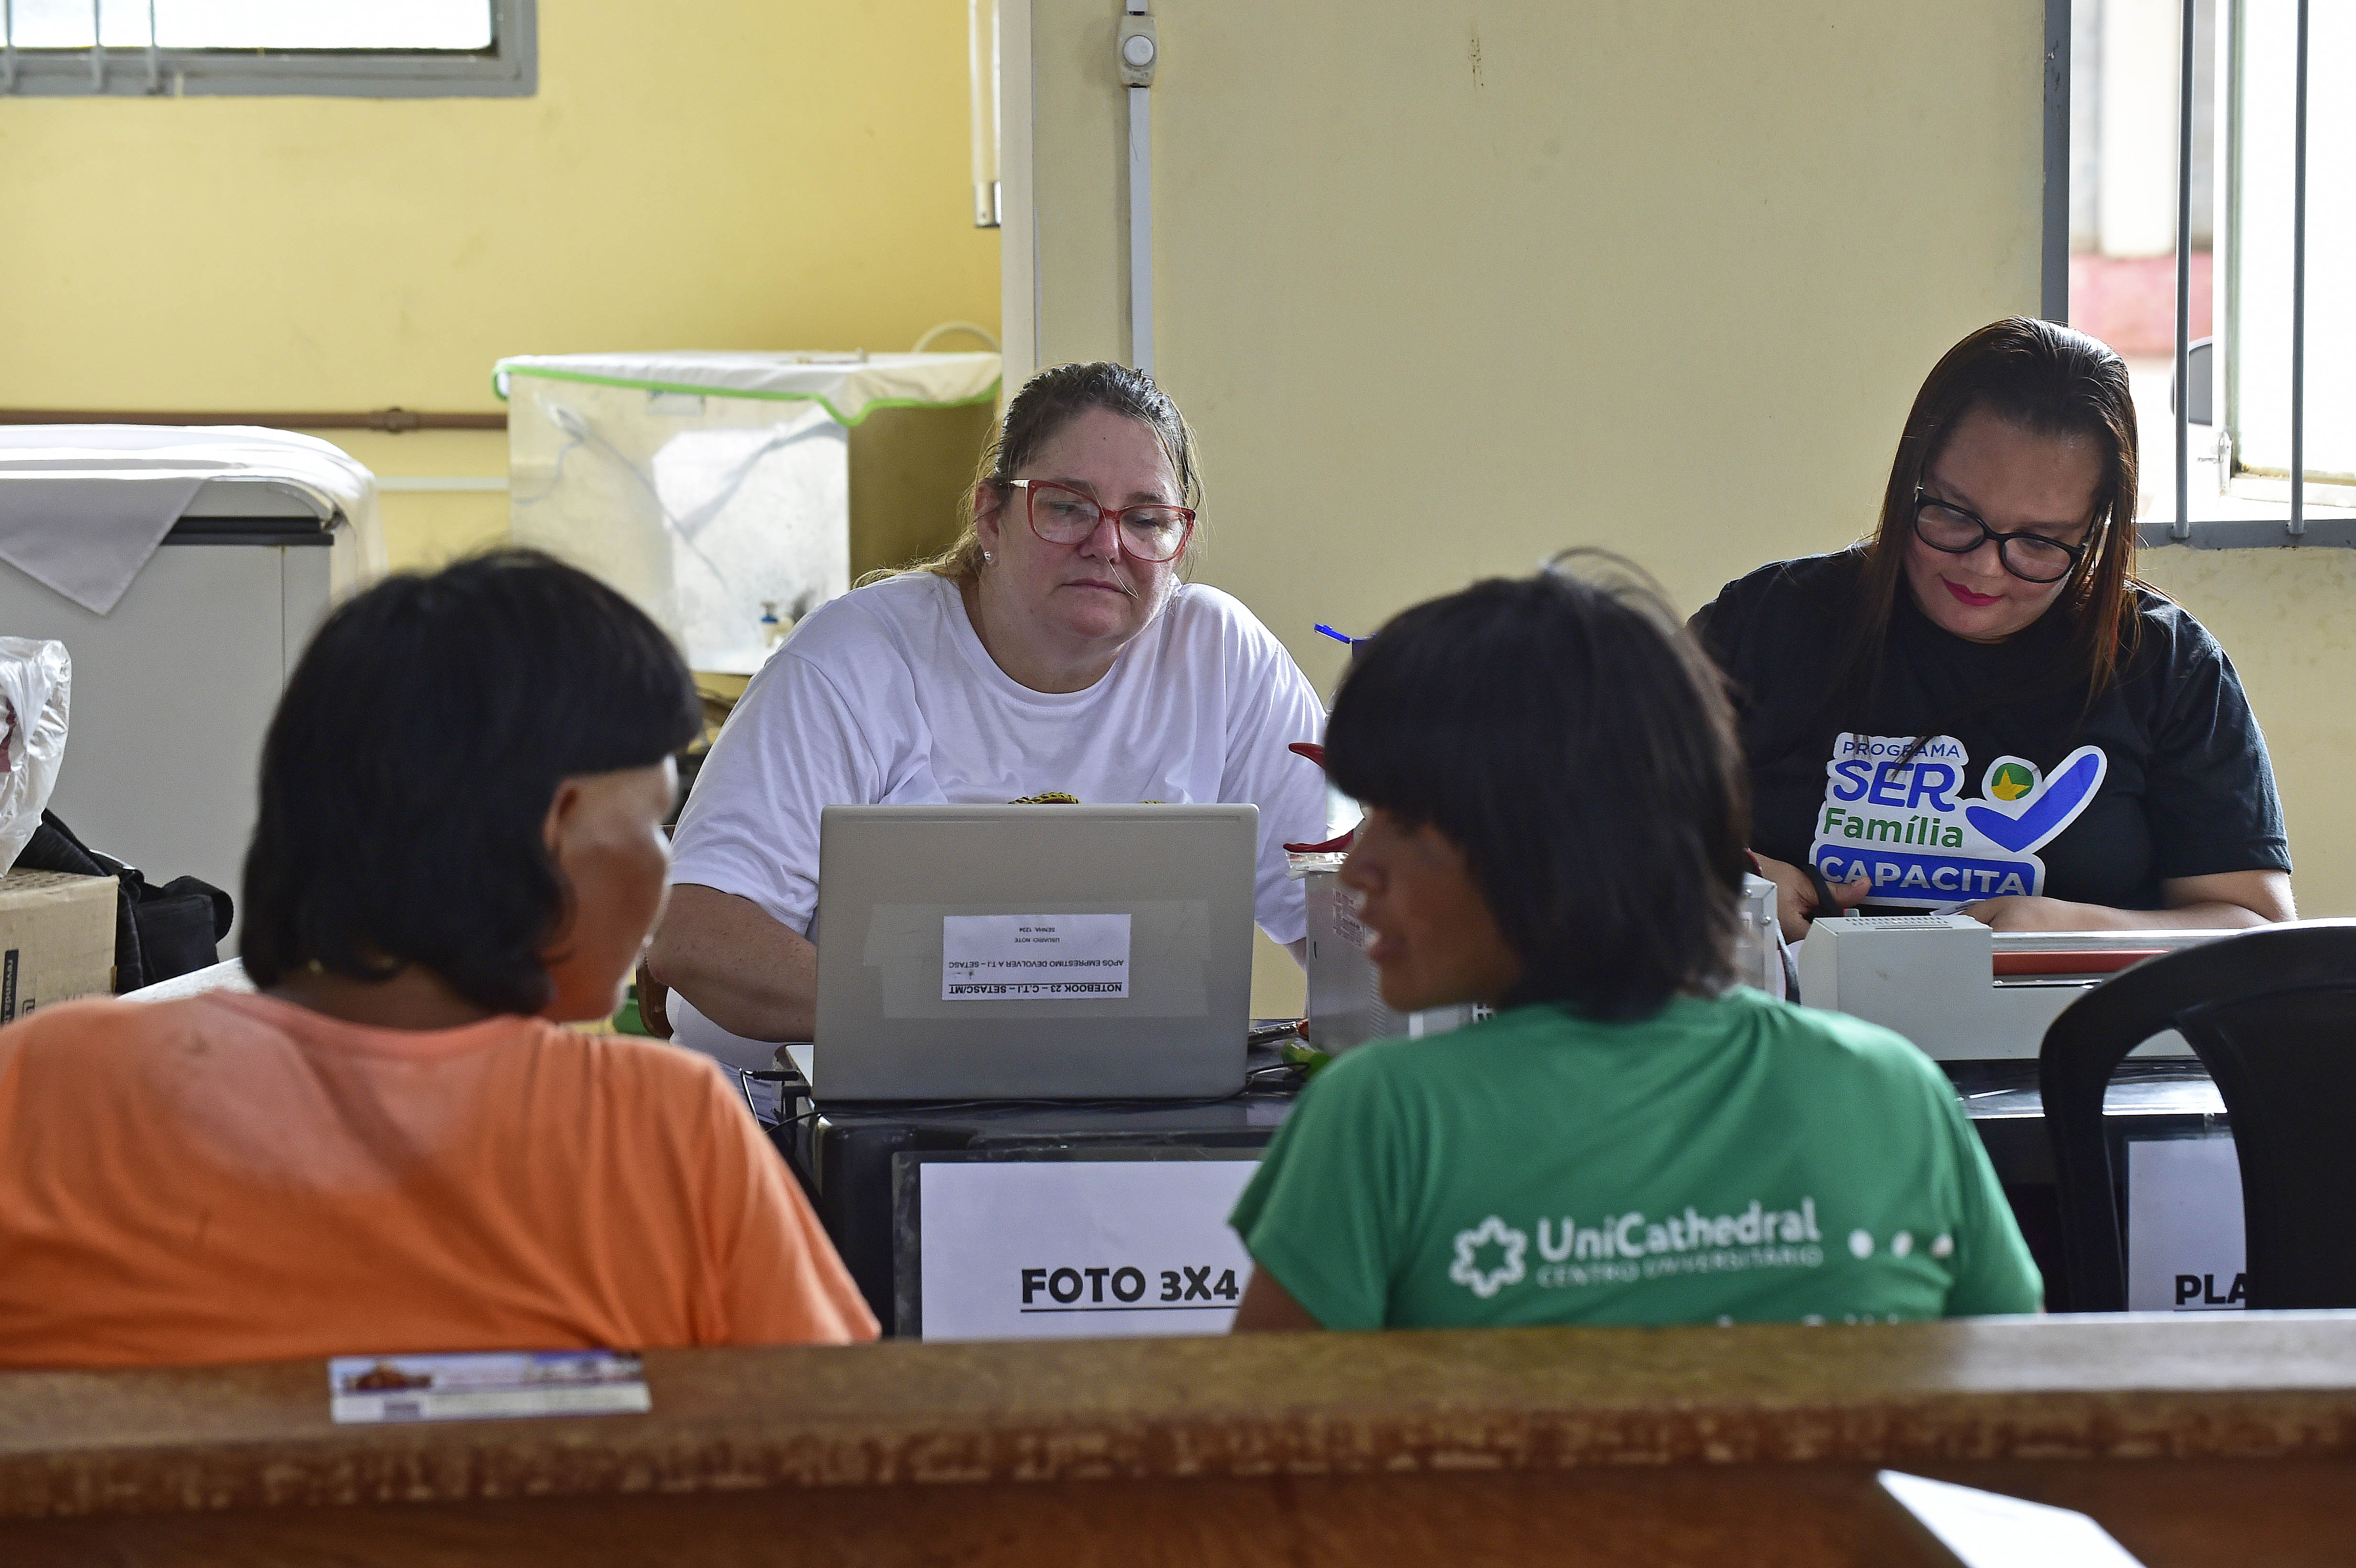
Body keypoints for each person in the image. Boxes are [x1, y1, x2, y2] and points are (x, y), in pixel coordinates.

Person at [0, 551, 876, 1367]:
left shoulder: (46, 1087)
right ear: (558, 832)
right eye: (654, 821)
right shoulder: (661, 1135)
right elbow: (856, 1479)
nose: (666, 861)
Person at [1227, 563, 2043, 1332]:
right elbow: (2026, 1424)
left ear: (1550, 845)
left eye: (1401, 824)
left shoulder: (1380, 1122)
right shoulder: (1893, 1096)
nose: (1358, 865)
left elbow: (1258, 1463)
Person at [642, 362, 1329, 1055]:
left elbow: (1346, 917)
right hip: (792, 1129)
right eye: (1067, 506)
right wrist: (981, 1026)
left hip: (1085, 1115)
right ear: (990, 517)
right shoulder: (856, 658)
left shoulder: (1219, 655)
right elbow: (696, 937)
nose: (1108, 543)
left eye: (1147, 519)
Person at [1693, 317, 2293, 941]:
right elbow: (1592, 809)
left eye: (2039, 542)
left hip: (2072, 1037)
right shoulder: (1771, 620)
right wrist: (1725, 880)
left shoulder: (2167, 666)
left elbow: (2256, 932)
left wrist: (2077, 929)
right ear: (1911, 480)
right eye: (1954, 514)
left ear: (2094, 533)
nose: (1983, 568)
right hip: (1787, 1033)